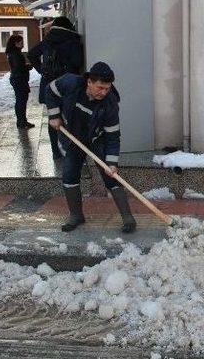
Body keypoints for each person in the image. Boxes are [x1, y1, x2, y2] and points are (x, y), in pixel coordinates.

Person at [46, 61, 137, 234]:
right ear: (89, 81)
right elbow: (49, 90)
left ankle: (128, 218)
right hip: (72, 136)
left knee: (111, 176)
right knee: (70, 174)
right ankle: (76, 215)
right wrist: (54, 115)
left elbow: (113, 136)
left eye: (107, 88)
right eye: (100, 87)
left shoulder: (110, 105)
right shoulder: (70, 83)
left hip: (97, 139)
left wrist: (111, 163)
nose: (104, 92)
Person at [28, 16, 84, 160]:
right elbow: (78, 61)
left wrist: (42, 70)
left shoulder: (47, 40)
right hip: (67, 87)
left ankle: (55, 152)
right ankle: (70, 151)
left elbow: (31, 54)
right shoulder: (73, 40)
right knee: (70, 119)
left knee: (54, 118)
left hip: (49, 87)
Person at [5, 34, 35, 129]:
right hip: (19, 79)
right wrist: (28, 66)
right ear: (16, 43)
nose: (23, 44)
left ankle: (22, 121)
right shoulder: (15, 53)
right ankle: (22, 122)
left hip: (18, 79)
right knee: (21, 101)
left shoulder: (14, 53)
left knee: (21, 100)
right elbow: (19, 67)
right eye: (21, 42)